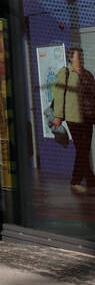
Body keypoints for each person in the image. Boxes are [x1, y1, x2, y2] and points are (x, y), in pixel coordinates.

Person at [52, 46, 95, 194]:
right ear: (71, 58)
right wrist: (58, 116)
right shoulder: (65, 73)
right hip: (74, 117)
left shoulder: (88, 74)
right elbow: (58, 95)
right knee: (82, 149)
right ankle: (75, 182)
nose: (81, 58)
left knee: (85, 149)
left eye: (82, 55)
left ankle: (90, 180)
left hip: (89, 117)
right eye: (78, 56)